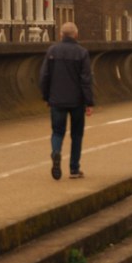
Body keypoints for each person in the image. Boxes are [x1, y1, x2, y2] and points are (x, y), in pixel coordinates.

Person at [39, 22, 94, 180]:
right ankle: (74, 169)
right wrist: (89, 102)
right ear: (76, 35)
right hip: (77, 101)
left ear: (61, 35)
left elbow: (44, 77)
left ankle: (56, 152)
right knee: (76, 134)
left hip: (56, 99)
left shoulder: (52, 51)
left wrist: (46, 97)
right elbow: (86, 80)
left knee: (57, 132)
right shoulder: (82, 53)